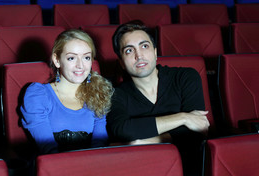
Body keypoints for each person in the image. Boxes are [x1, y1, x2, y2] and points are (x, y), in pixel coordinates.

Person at [106, 21, 210, 176]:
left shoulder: (185, 77)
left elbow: (197, 131)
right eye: (129, 50)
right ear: (121, 62)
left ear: (155, 52)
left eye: (144, 46)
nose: (139, 55)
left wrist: (146, 141)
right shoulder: (115, 94)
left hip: (191, 166)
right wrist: (183, 118)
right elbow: (122, 130)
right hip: (142, 169)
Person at [20, 29, 114, 155]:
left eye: (86, 57)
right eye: (71, 58)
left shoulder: (97, 93)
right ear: (57, 60)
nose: (80, 65)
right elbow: (48, 149)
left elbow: (99, 146)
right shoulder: (38, 94)